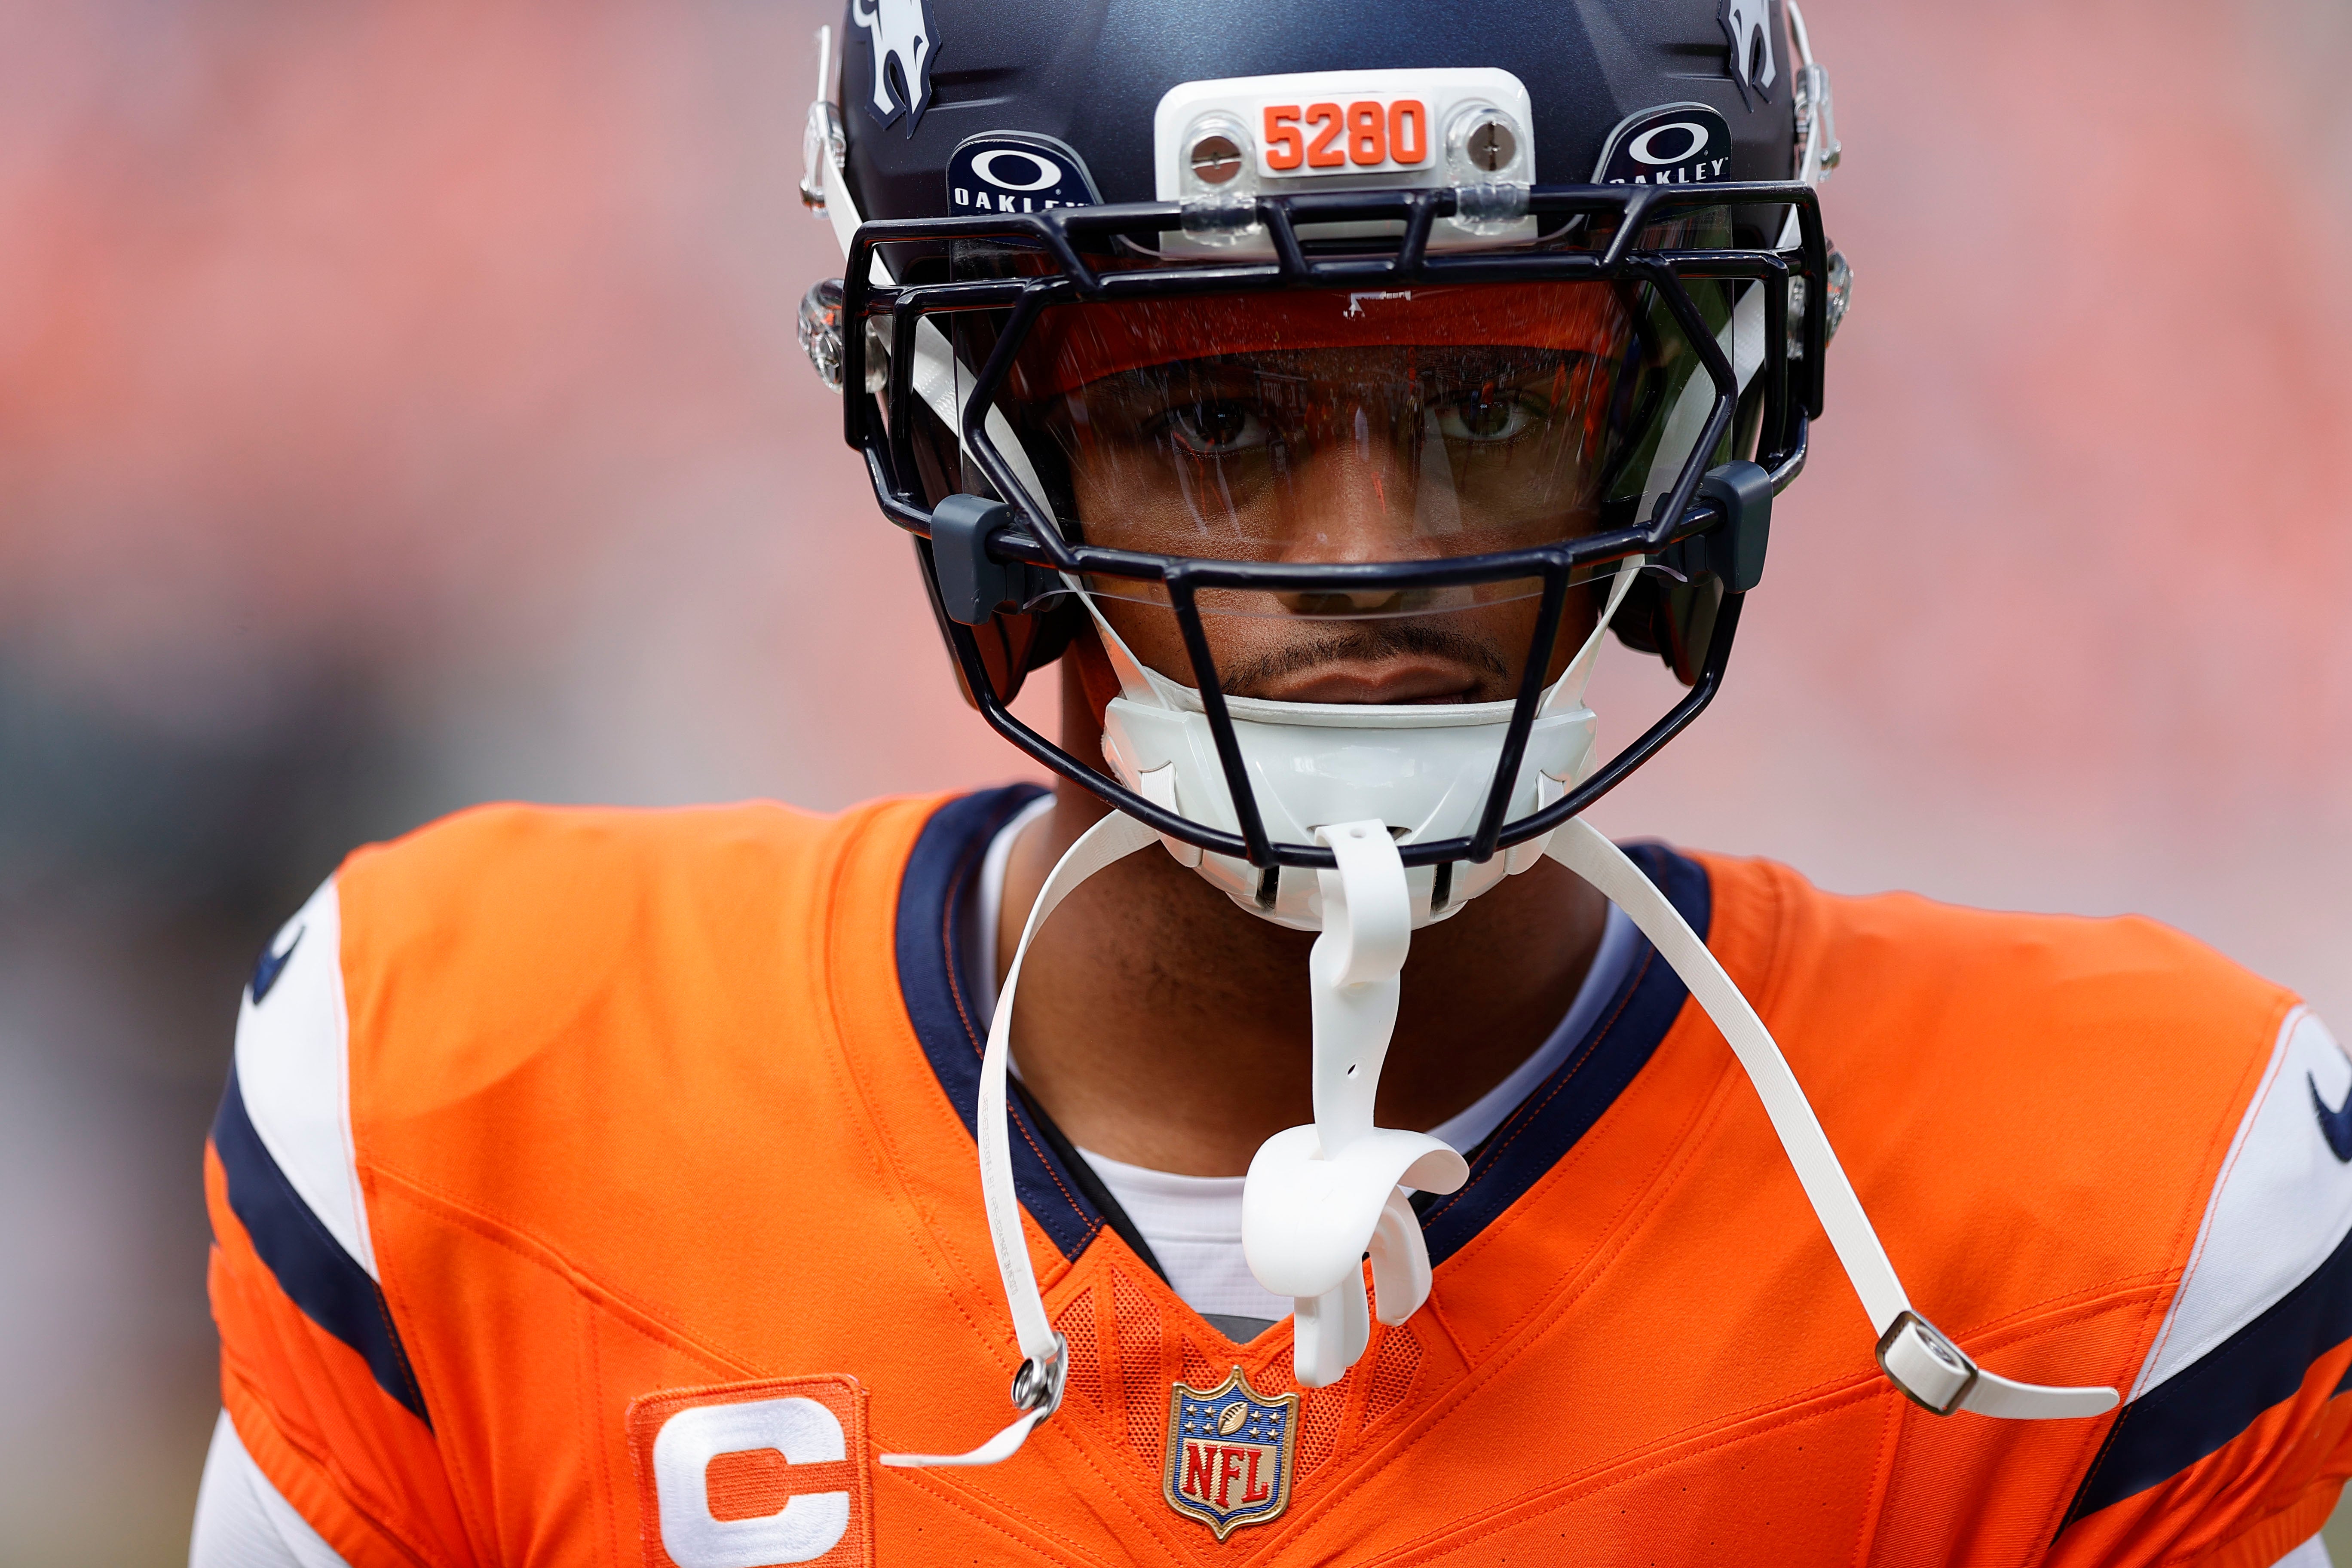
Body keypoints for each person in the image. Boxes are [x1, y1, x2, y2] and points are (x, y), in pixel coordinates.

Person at [191, 3, 2352, 1565]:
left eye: (1492, 406)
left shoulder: (2113, 1219)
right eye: (1217, 418)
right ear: (976, 447)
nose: (1370, 561)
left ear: (1685, 421)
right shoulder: (471, 1086)